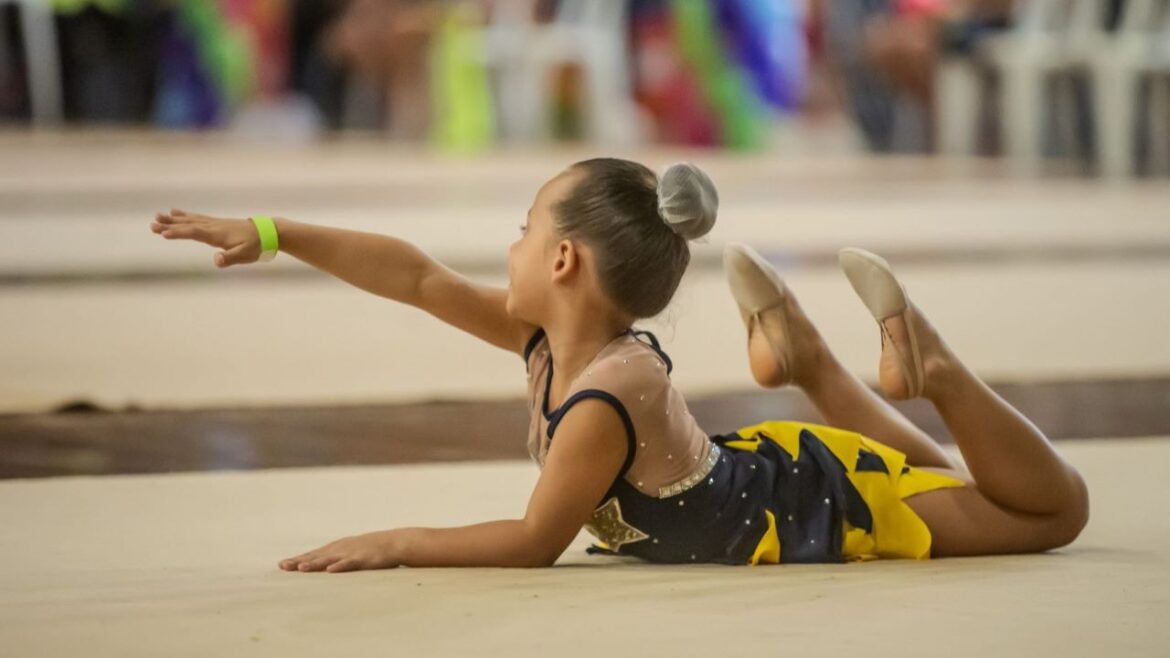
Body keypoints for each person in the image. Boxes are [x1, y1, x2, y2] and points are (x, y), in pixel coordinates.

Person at [149, 159, 1089, 570]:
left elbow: (532, 542)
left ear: (562, 262)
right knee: (954, 478)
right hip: (770, 473)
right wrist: (273, 233)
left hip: (814, 506)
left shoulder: (606, 392)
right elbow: (416, 276)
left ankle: (932, 369)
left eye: (524, 230)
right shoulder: (556, 342)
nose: (510, 247)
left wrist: (398, 541)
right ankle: (813, 360)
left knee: (1052, 511)